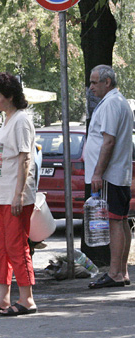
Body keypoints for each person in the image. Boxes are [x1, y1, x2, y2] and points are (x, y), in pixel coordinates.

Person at [0, 72, 37, 316]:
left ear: (11, 96)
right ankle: (3, 298)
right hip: (1, 195)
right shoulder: (8, 120)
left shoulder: (21, 120)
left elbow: (25, 158)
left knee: (15, 246)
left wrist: (19, 195)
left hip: (14, 194)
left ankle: (27, 298)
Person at [85, 65, 133, 289]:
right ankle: (121, 271)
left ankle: (114, 272)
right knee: (121, 221)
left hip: (111, 173)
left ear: (107, 82)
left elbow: (109, 141)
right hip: (118, 172)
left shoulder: (112, 103)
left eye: (95, 82)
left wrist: (97, 172)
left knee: (115, 221)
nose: (91, 87)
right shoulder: (118, 101)